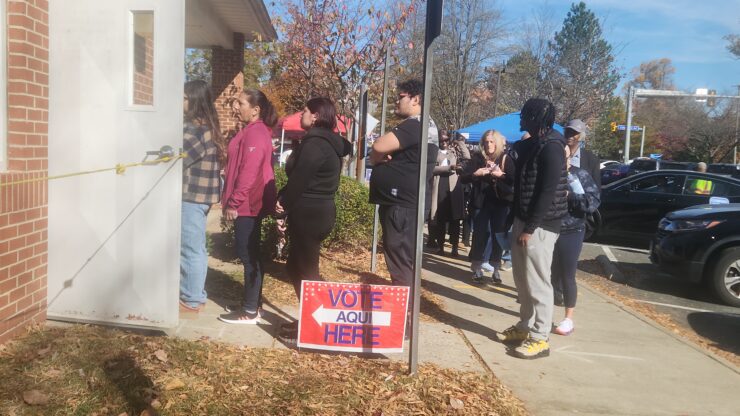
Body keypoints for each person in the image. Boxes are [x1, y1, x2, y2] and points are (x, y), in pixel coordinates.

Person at [275, 97, 352, 341]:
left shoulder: (316, 143)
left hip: (310, 213)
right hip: (314, 211)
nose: (301, 115)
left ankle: (318, 325)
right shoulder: (323, 141)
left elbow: (300, 178)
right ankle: (309, 319)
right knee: (296, 266)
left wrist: (282, 204)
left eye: (305, 111)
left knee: (307, 271)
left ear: (317, 115)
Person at [496, 98, 568, 360]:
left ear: (537, 118)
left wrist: (530, 227)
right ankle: (525, 326)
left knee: (538, 282)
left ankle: (540, 338)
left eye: (525, 116)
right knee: (522, 280)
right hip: (523, 219)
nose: (520, 120)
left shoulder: (552, 147)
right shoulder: (534, 144)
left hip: (540, 225)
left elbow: (547, 192)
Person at [369, 79, 439, 288]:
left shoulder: (415, 125)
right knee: (402, 257)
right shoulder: (425, 125)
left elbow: (379, 145)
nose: (396, 102)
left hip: (402, 206)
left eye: (401, 97)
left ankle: (404, 310)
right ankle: (406, 305)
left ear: (416, 99)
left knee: (399, 257)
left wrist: (376, 158)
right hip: (405, 204)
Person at [218, 89, 278, 324]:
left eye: (240, 103)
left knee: (247, 253)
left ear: (255, 110)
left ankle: (250, 310)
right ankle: (254, 304)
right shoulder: (253, 131)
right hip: (247, 202)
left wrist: (235, 202)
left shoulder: (256, 133)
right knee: (250, 252)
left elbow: (249, 172)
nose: (236, 107)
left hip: (248, 204)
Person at [179, 80, 223, 314]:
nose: (180, 102)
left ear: (194, 101)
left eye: (184, 98)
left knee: (190, 249)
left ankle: (191, 300)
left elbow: (177, 158)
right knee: (194, 248)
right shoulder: (205, 127)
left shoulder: (196, 129)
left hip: (192, 198)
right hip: (197, 197)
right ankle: (196, 296)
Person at [551, 145, 600, 335]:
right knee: (547, 276)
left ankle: (568, 319)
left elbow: (592, 201)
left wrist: (570, 195)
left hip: (572, 230)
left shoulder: (579, 175)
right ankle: (543, 314)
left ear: (569, 157)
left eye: (563, 156)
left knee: (567, 275)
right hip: (548, 228)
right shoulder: (548, 173)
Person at [461, 130, 514, 284]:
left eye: (491, 141)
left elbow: (513, 180)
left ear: (497, 143)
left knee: (498, 236)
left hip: (500, 203)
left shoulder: (505, 158)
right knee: (480, 235)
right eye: (486, 142)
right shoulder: (477, 158)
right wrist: (475, 174)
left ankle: (496, 269)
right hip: (481, 203)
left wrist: (500, 175)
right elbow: (463, 178)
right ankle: (477, 267)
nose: (488, 145)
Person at [429, 131, 465, 257]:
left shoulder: (454, 151)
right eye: (441, 141)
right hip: (440, 185)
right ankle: (441, 246)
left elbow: (467, 157)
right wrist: (448, 168)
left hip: (453, 187)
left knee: (455, 219)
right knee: (441, 219)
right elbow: (432, 168)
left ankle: (455, 247)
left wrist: (459, 142)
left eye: (446, 140)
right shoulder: (434, 152)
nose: (444, 143)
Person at [564, 119, 600, 188]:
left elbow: (597, 190)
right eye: (568, 131)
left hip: (581, 198)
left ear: (581, 136)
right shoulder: (557, 154)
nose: (570, 135)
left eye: (574, 132)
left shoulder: (592, 159)